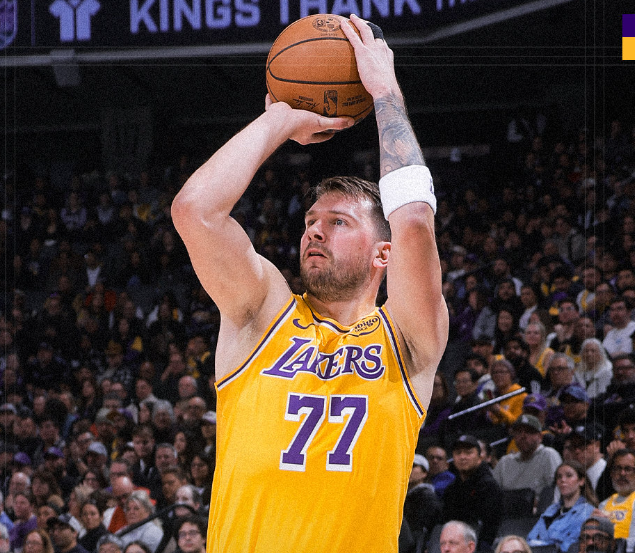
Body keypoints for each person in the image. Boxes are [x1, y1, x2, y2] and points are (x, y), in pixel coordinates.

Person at [170, 13, 447, 553]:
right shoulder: (264, 312)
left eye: (338, 222)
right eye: (310, 222)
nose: (314, 231)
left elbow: (414, 219)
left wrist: (385, 93)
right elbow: (195, 211)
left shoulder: (408, 339)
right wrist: (278, 120)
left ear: (383, 253)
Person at [441, 435, 503, 550]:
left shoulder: (489, 487)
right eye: (458, 453)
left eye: (468, 453)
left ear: (480, 457)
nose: (462, 457)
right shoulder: (451, 490)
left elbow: (490, 529)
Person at [527, 460, 597, 552]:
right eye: (559, 476)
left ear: (581, 481)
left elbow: (570, 545)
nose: (562, 480)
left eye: (569, 476)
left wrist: (543, 545)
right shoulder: (551, 509)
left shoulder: (588, 512)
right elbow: (530, 538)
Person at [492, 414, 562, 498]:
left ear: (540, 437)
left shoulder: (548, 455)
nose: (523, 436)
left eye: (529, 431)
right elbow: (492, 495)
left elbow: (558, 492)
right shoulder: (505, 462)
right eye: (518, 432)